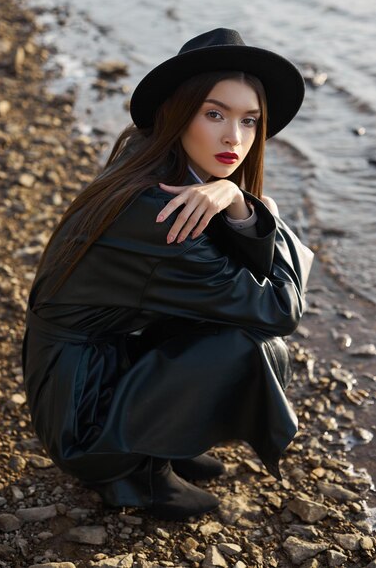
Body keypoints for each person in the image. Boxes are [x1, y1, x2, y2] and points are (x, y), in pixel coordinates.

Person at [22, 28, 314, 520]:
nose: (234, 139)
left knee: (220, 311)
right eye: (214, 114)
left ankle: (164, 439)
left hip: (79, 372)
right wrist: (256, 209)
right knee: (257, 342)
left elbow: (238, 276)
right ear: (178, 112)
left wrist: (236, 200)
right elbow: (280, 309)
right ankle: (137, 473)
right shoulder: (161, 216)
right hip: (81, 422)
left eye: (249, 121)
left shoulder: (147, 159)